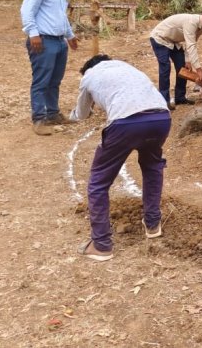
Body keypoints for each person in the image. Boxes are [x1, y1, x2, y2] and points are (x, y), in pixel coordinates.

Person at [70, 55, 171, 261]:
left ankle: (101, 245)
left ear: (88, 68)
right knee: (152, 168)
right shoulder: (127, 67)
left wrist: (71, 117)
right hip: (161, 117)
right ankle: (152, 224)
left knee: (98, 182)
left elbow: (81, 114)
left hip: (126, 123)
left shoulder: (89, 76)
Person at [20, 0, 81, 134]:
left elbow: (60, 17)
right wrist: (33, 34)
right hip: (43, 40)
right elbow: (27, 10)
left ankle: (53, 113)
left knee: (54, 81)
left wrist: (69, 36)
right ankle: (39, 120)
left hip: (59, 41)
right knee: (42, 81)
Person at [149, 8, 202, 106]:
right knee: (165, 68)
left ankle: (180, 98)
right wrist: (199, 70)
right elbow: (191, 45)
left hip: (173, 41)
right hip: (160, 38)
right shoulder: (192, 22)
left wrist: (187, 61)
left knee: (183, 68)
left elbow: (191, 43)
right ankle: (164, 101)